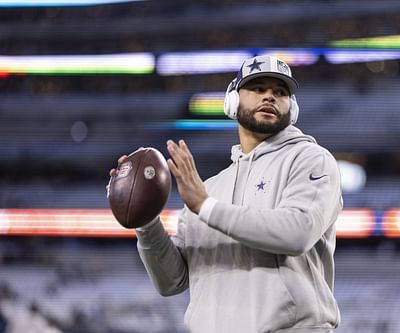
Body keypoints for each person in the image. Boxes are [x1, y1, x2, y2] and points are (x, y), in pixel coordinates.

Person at [110, 55, 343, 332]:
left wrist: (206, 206)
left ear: (291, 108)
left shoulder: (311, 159)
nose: (269, 97)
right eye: (258, 89)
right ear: (232, 101)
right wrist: (146, 221)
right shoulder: (208, 187)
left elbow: (298, 232)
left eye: (280, 92)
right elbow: (171, 282)